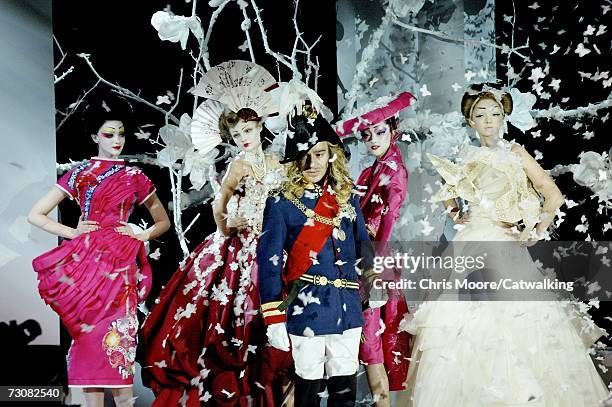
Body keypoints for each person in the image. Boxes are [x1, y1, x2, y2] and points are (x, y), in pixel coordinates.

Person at [405, 83, 609, 406]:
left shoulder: (515, 153)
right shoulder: (465, 154)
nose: (488, 120)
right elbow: (451, 191)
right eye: (480, 114)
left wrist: (536, 229)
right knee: (462, 326)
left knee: (516, 321)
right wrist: (458, 212)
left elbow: (552, 194)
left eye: (495, 113)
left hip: (503, 244)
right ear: (471, 121)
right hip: (471, 242)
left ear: (504, 117)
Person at [139, 61, 293, 406]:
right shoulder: (238, 164)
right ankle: (237, 379)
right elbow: (218, 204)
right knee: (232, 314)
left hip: (272, 243)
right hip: (241, 246)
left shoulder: (278, 163)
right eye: (237, 135)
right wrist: (229, 225)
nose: (244, 139)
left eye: (248, 131)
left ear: (259, 126)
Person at [28, 99, 171, 407]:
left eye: (121, 134)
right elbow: (36, 214)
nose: (117, 140)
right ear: (95, 137)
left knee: (119, 345)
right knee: (89, 342)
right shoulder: (80, 173)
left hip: (121, 268)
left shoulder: (136, 177)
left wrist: (140, 234)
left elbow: (163, 222)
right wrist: (73, 232)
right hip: (87, 264)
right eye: (109, 134)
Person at [258, 102, 375, 407]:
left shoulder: (346, 198)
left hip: (347, 308)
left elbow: (363, 245)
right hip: (305, 308)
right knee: (308, 394)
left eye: (319, 154)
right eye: (305, 155)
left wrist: (374, 284)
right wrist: (274, 318)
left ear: (331, 154)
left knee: (345, 393)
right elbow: (269, 263)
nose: (312, 163)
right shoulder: (281, 202)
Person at [336, 92, 415, 406]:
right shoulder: (369, 171)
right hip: (356, 259)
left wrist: (373, 267)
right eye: (366, 134)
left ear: (394, 131)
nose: (371, 139)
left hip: (374, 262)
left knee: (372, 348)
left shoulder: (395, 171)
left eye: (379, 131)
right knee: (364, 347)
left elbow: (389, 219)